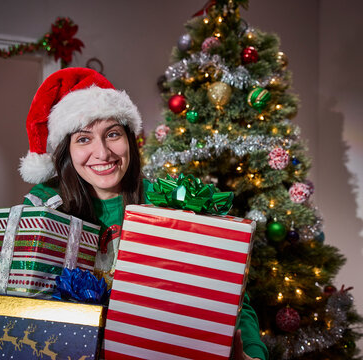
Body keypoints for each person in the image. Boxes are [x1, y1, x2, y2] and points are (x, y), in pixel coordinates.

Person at [18, 67, 269, 360]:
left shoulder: (168, 203)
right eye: (83, 139)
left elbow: (229, 296)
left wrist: (252, 353)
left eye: (112, 134)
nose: (102, 153)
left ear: (130, 139)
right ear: (67, 152)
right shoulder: (43, 211)